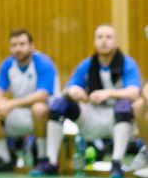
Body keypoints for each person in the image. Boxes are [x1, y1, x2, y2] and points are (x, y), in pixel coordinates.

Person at [32, 25, 141, 178]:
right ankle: (51, 161)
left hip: (119, 120)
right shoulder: (87, 64)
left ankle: (116, 164)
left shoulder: (128, 63)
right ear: (94, 42)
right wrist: (74, 91)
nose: (104, 41)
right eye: (100, 37)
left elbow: (135, 92)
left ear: (116, 42)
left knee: (124, 105)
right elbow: (68, 88)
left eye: (108, 37)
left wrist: (108, 93)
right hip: (91, 116)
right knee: (59, 104)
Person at [0, 29, 57, 173]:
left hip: (45, 117)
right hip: (18, 112)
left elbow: (42, 94)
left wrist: (11, 104)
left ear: (32, 46)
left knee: (38, 108)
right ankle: (4, 158)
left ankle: (42, 158)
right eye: (14, 45)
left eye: (22, 44)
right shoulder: (8, 64)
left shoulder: (43, 63)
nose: (18, 49)